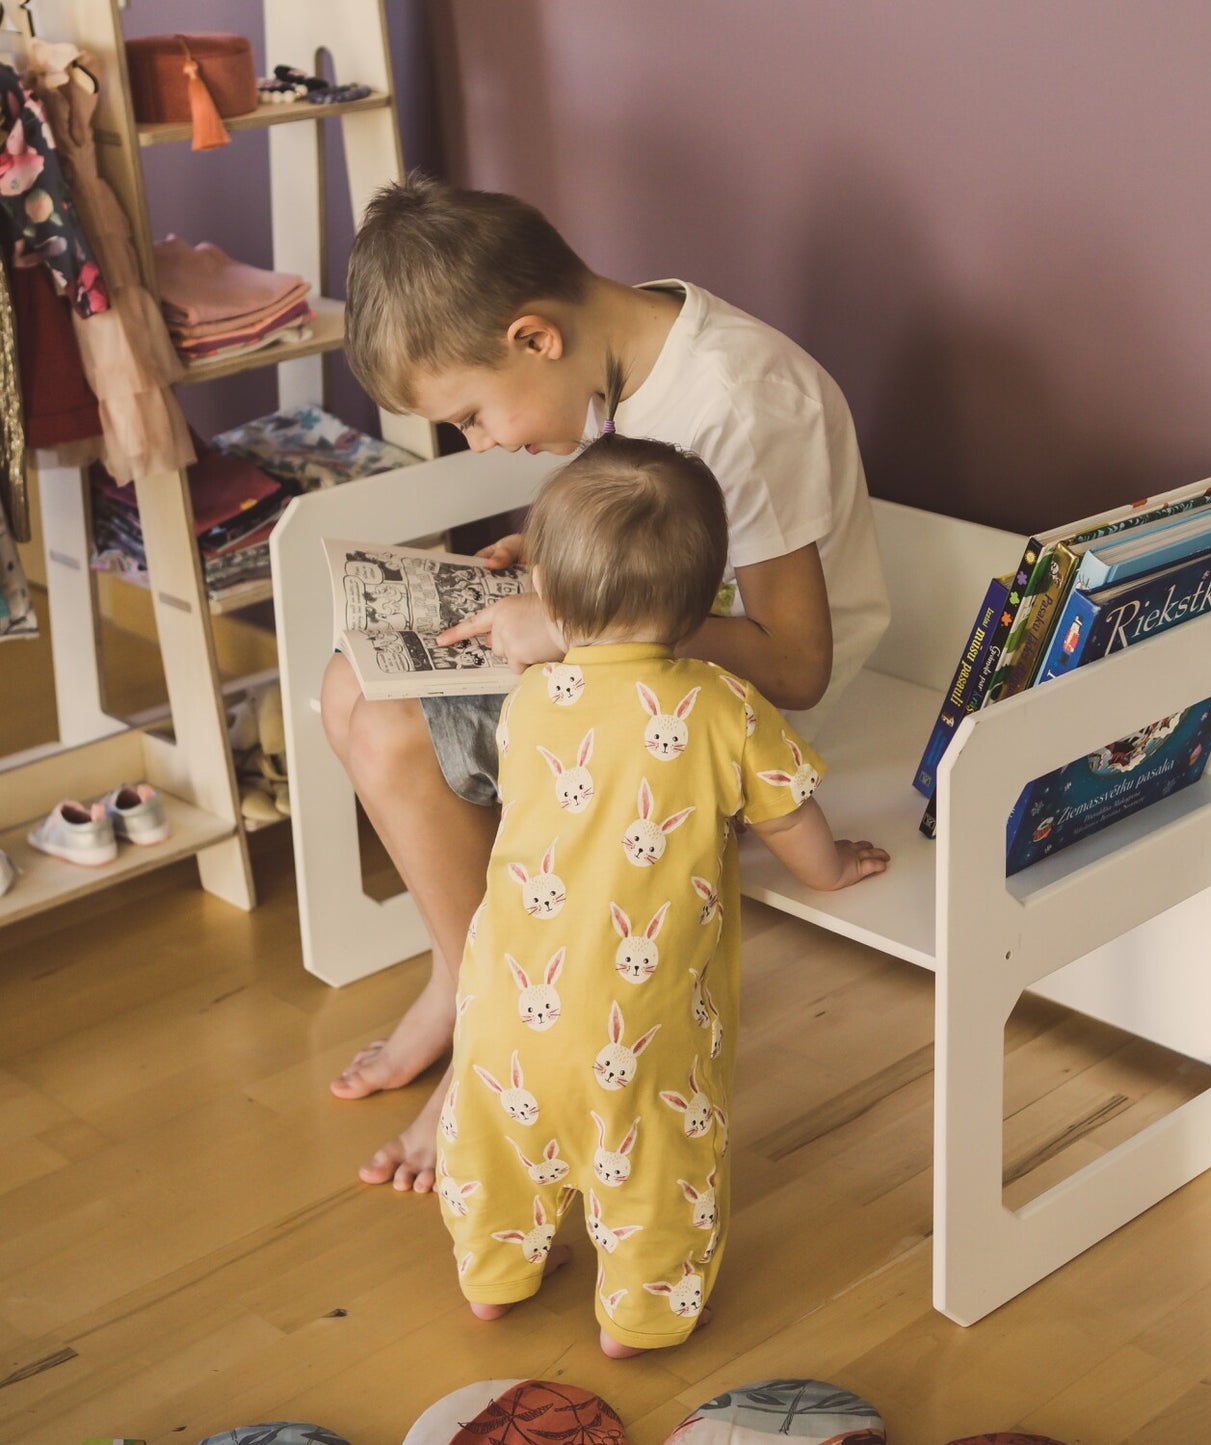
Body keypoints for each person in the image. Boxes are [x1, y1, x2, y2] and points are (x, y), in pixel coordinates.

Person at [324, 176, 888, 1191]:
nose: (481, 442)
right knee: (345, 685)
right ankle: (464, 970)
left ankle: (492, 1026)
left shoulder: (734, 400)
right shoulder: (619, 351)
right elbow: (663, 537)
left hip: (723, 711)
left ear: (533, 337)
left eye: (469, 416)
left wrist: (572, 621)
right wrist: (561, 560)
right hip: (642, 657)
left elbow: (797, 664)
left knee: (391, 729)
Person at [438, 414, 889, 1356]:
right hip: (638, 1019)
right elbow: (789, 819)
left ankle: (494, 1273)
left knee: (499, 1139)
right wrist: (835, 865)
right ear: (700, 606)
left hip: (503, 999)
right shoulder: (724, 706)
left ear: (550, 596)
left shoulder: (527, 700)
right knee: (652, 1159)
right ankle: (639, 1317)